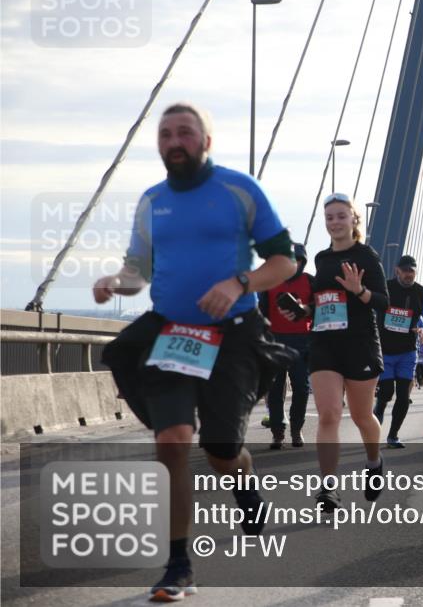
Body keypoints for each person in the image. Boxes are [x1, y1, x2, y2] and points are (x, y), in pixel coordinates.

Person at [95, 103, 296, 601]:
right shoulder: (151, 201)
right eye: (165, 134)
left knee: (221, 452)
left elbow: (285, 261)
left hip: (233, 334)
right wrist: (115, 283)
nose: (174, 140)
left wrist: (239, 282)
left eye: (185, 132)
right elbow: (138, 270)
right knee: (173, 441)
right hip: (171, 334)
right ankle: (178, 563)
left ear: (206, 141)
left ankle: (243, 478)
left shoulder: (238, 190)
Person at [308, 193, 390, 510]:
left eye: (341, 216)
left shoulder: (366, 256)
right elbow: (320, 302)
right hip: (324, 342)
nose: (334, 222)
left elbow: (383, 302)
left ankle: (374, 461)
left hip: (359, 343)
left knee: (361, 416)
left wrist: (360, 291)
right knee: (329, 414)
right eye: (329, 217)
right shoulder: (321, 259)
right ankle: (328, 488)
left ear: (354, 219)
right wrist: (302, 311)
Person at [374, 255, 423, 448]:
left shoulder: (422, 293)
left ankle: (393, 435)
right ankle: (378, 414)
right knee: (385, 393)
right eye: (405, 270)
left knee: (402, 395)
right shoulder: (385, 286)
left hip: (407, 351)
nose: (409, 275)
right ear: (397, 270)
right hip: (384, 349)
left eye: (412, 271)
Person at [258, 242, 313, 449]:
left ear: (302, 262)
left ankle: (296, 429)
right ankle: (277, 432)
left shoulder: (310, 281)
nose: (293, 264)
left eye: (297, 260)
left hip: (302, 343)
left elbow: (320, 307)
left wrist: (306, 309)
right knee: (274, 390)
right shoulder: (270, 283)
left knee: (301, 388)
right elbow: (261, 313)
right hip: (275, 342)